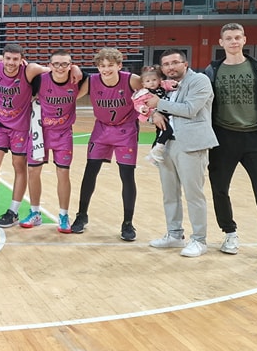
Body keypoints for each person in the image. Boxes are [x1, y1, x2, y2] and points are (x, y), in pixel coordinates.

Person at [204, 23, 257, 265]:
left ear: (244, 40)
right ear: (221, 42)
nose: (233, 41)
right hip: (223, 138)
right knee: (220, 188)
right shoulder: (212, 70)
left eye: (237, 37)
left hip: (256, 138)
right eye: (229, 38)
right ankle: (229, 234)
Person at [145, 49, 218, 257]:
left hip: (191, 145)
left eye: (175, 62)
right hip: (167, 145)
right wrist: (154, 114)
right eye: (166, 64)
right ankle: (174, 234)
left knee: (194, 194)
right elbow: (150, 108)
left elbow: (190, 109)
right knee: (169, 194)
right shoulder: (164, 85)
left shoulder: (199, 81)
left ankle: (199, 240)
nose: (171, 67)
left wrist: (158, 104)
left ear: (185, 64)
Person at [0, 43, 49, 228]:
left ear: (22, 60)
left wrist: (74, 69)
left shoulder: (29, 70)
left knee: (18, 166)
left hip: (20, 127)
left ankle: (13, 212)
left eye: (15, 59)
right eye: (8, 58)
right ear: (3, 58)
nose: (11, 62)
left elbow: (52, 70)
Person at [71, 48, 144, 241]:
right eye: (102, 66)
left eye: (110, 65)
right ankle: (81, 215)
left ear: (119, 65)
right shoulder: (92, 81)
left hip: (126, 130)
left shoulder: (132, 80)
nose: (106, 69)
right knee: (90, 172)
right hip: (101, 129)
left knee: (127, 176)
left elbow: (152, 92)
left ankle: (127, 223)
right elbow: (71, 97)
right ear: (97, 67)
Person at [21, 49, 84, 233]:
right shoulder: (40, 80)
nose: (60, 67)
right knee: (33, 171)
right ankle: (35, 213)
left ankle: (64, 215)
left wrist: (78, 69)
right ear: (49, 65)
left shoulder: (78, 80)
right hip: (40, 131)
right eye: (56, 63)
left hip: (63, 134)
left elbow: (94, 79)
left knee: (63, 173)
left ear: (70, 65)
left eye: (65, 64)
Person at [132, 66, 177, 165]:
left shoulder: (162, 86)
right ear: (143, 84)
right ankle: (157, 150)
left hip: (166, 112)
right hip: (156, 114)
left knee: (160, 133)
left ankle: (154, 154)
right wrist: (143, 108)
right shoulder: (143, 93)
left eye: (154, 80)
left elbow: (169, 84)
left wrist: (174, 84)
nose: (151, 83)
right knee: (167, 131)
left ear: (159, 80)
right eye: (148, 81)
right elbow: (137, 103)